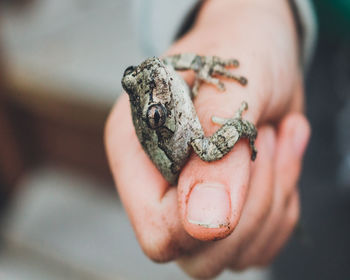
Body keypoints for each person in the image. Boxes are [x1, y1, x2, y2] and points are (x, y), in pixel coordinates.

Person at [105, 0, 316, 278]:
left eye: (133, 74)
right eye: (157, 113)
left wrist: (204, 59)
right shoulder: (190, 140)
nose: (153, 72)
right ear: (162, 122)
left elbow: (167, 64)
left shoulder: (160, 77)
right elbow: (208, 149)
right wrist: (241, 126)